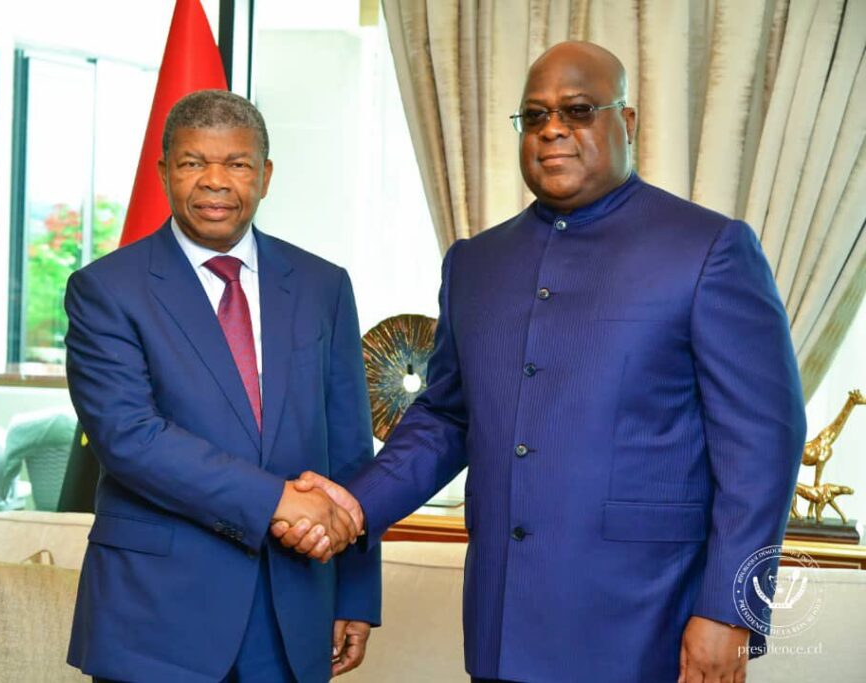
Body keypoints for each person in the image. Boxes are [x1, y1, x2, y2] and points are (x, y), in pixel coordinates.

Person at [274, 41, 805, 683]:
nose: (552, 128)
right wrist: (354, 507)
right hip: (502, 622)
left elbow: (762, 443)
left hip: (648, 621)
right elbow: (446, 419)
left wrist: (730, 609)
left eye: (578, 110)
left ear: (627, 122)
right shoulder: (475, 262)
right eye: (534, 115)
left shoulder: (709, 249)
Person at [64, 89, 380, 683]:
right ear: (164, 172)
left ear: (265, 175)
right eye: (193, 163)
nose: (215, 181)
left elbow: (349, 451)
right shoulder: (105, 290)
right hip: (156, 615)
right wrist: (278, 500)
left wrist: (355, 593)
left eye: (236, 163)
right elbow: (130, 438)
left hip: (294, 606)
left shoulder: (323, 286)